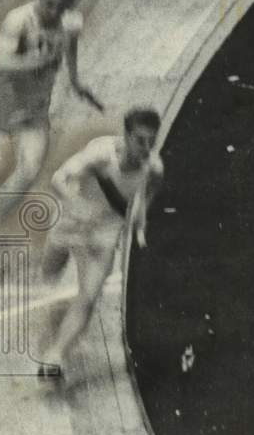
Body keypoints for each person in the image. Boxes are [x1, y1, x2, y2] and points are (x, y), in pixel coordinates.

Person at [0, 0, 102, 255]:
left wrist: (75, 80)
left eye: (61, 8)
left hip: (35, 111)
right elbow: (2, 62)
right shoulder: (19, 20)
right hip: (2, 100)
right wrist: (39, 59)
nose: (54, 13)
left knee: (28, 172)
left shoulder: (70, 21)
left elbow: (70, 46)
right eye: (50, 4)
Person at [38, 108, 164, 379]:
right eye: (140, 140)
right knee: (49, 270)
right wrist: (75, 204)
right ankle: (50, 313)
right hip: (71, 221)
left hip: (104, 233)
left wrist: (139, 226)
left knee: (89, 296)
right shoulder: (100, 156)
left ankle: (55, 357)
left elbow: (146, 197)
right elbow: (59, 178)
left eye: (151, 141)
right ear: (126, 136)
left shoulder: (154, 168)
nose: (146, 148)